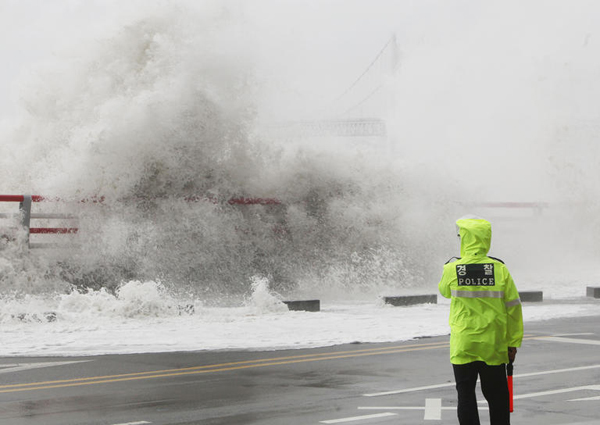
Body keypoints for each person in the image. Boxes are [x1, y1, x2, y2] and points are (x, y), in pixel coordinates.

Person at [439, 216, 523, 425]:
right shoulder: (499, 269)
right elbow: (514, 308)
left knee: (466, 395)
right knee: (497, 397)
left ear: (465, 239)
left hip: (464, 343)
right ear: (486, 239)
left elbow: (444, 292)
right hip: (492, 343)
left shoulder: (452, 269)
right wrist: (513, 342)